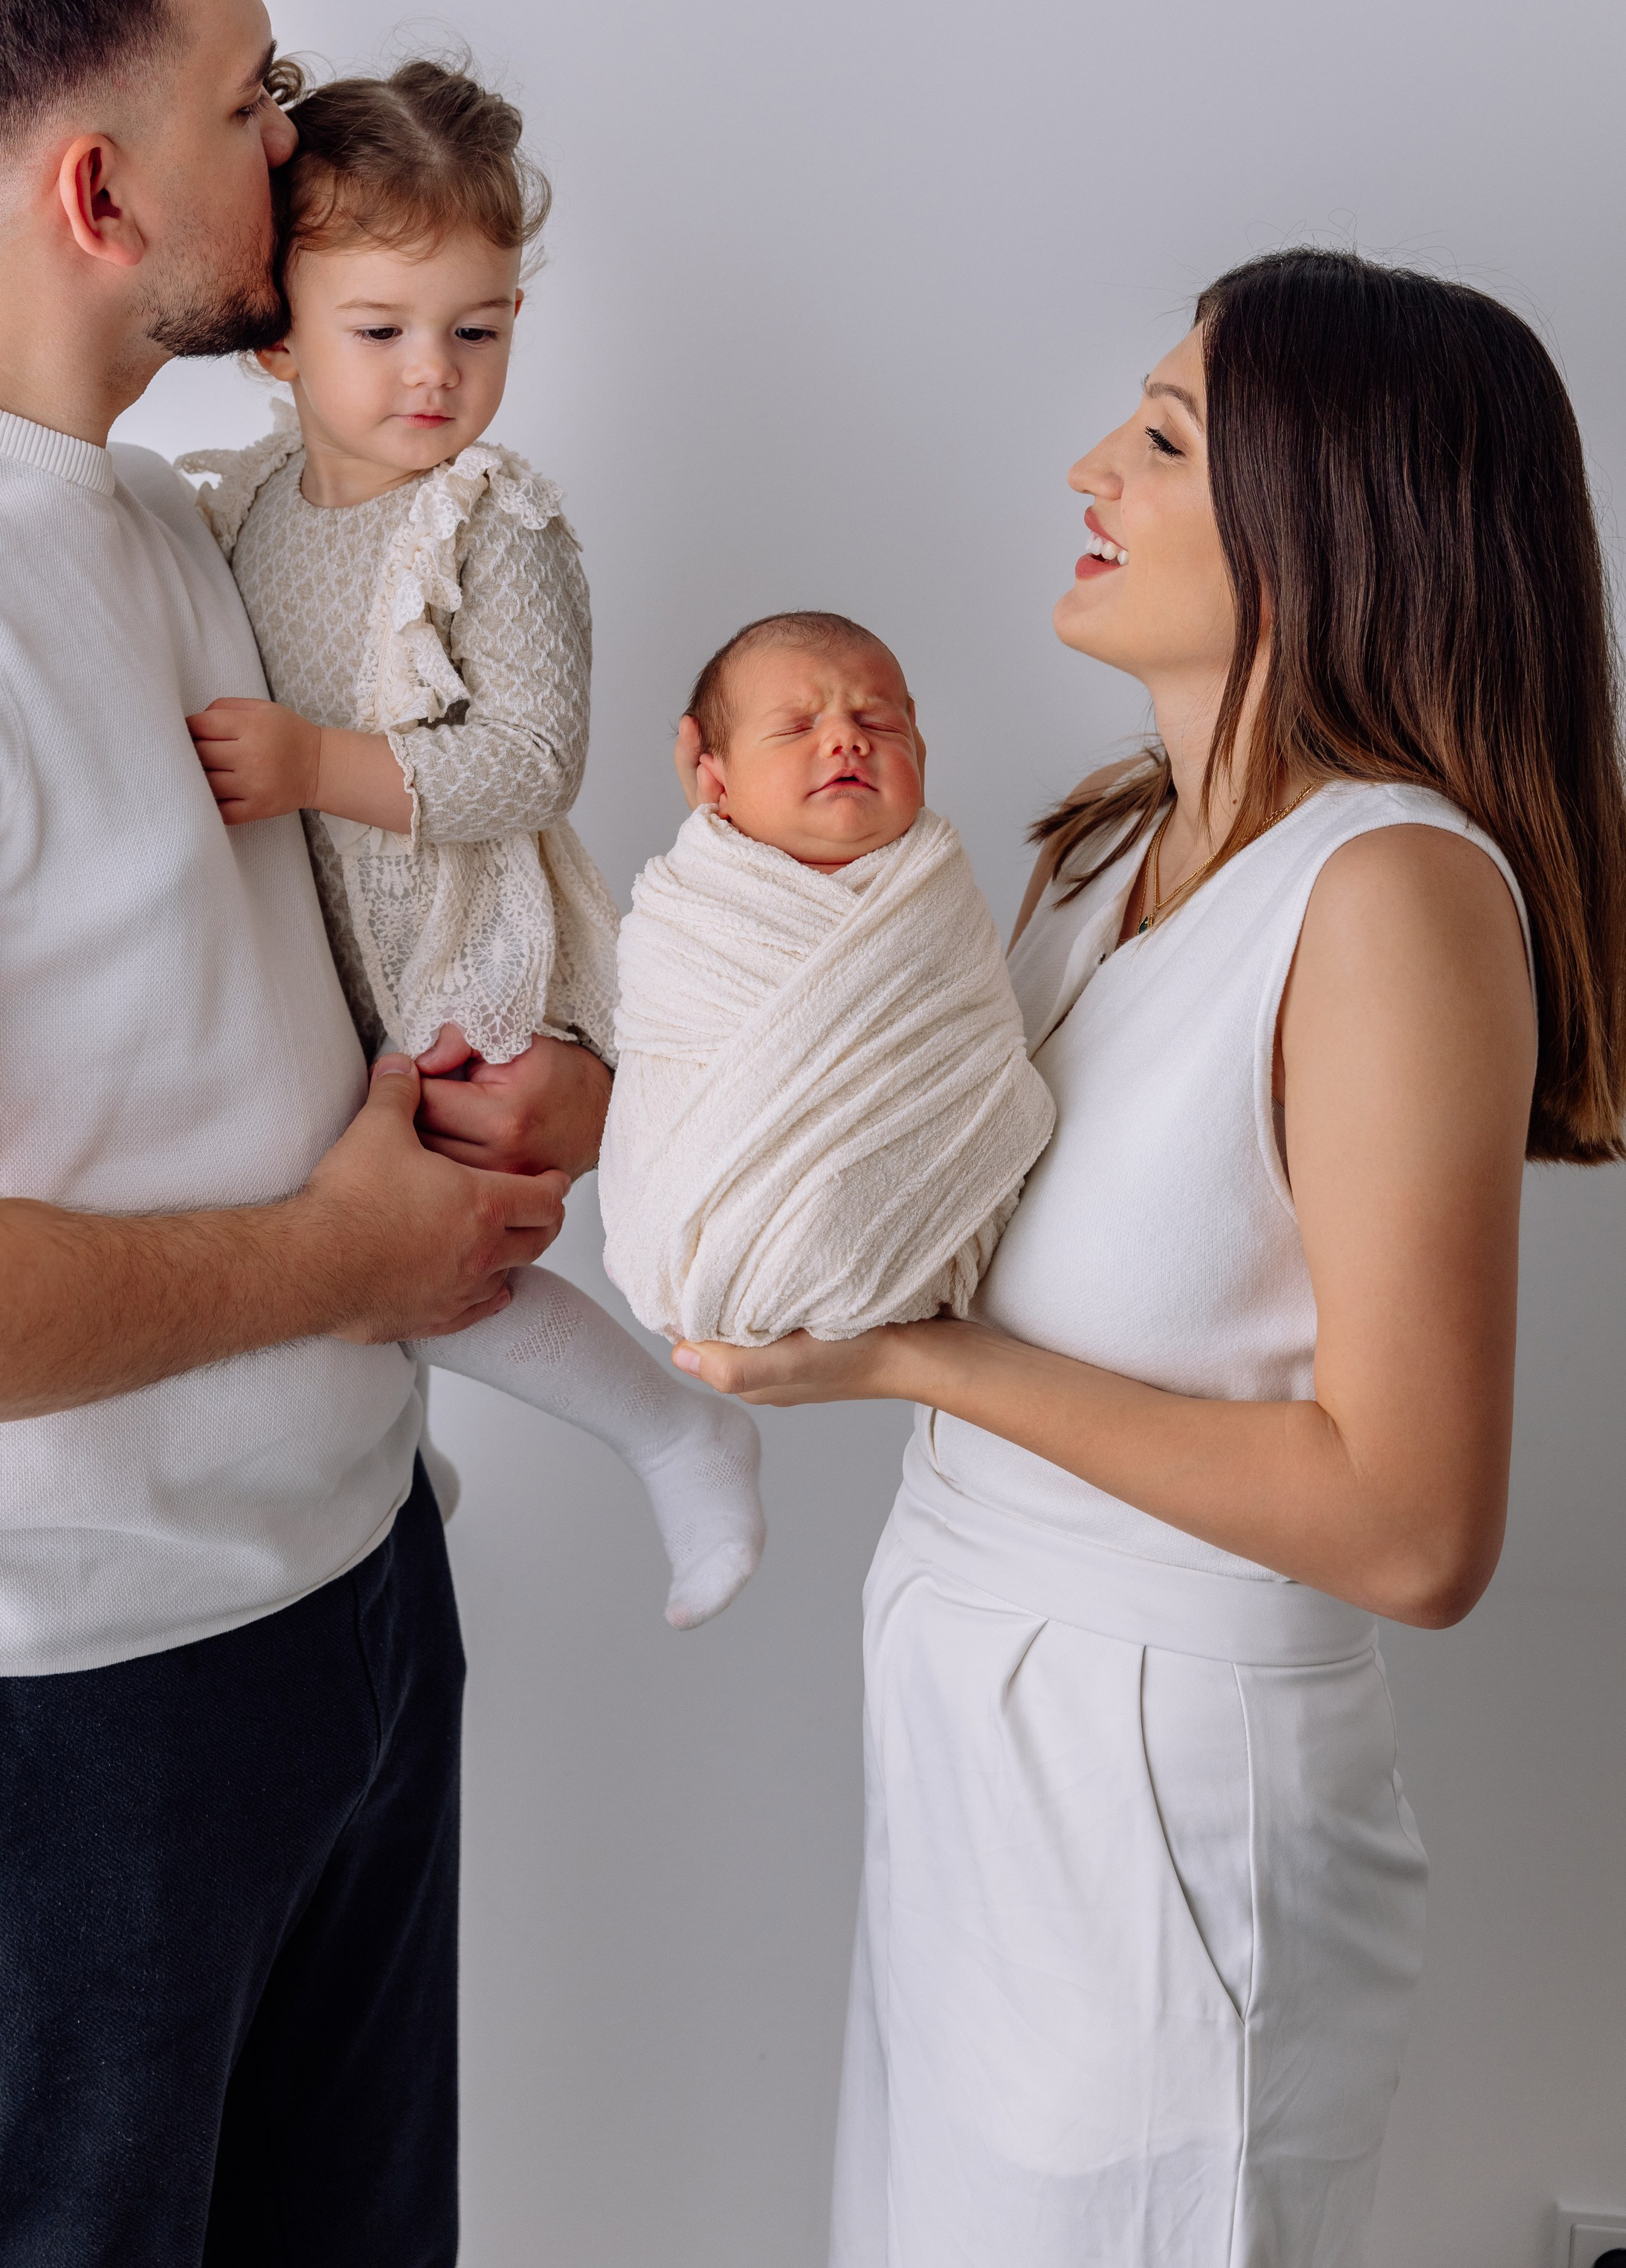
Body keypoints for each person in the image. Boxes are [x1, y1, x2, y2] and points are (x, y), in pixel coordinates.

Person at [0, 0, 607, 2268]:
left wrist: (539, 1073)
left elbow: (308, 956)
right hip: (31, 1730)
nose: (297, 131)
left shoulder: (150, 503)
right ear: (102, 200)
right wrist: (335, 1262)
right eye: (250, 97)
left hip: (328, 1615)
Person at [673, 248, 1626, 2266]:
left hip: (1166, 1814)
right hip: (974, 1731)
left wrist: (920, 1364)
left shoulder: (1390, 896)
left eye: (1169, 435)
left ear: (1332, 512)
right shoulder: (1103, 850)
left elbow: (1414, 1522)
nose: (1095, 460)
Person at [176, 62, 764, 1629]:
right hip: (319, 948)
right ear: (276, 333)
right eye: (381, 330)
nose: (433, 374)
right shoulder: (240, 508)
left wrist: (312, 762)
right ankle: (390, 1456)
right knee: (325, 1209)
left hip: (450, 932)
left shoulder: (491, 521)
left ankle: (672, 1425)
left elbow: (525, 757)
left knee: (428, 1219)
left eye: (478, 328)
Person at [599, 611, 1052, 1345]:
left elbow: (971, 1047)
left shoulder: (934, 899)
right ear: (713, 776)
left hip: (933, 1241)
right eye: (794, 727)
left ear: (922, 754)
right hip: (710, 1238)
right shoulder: (692, 908)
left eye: (877, 721)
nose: (846, 739)